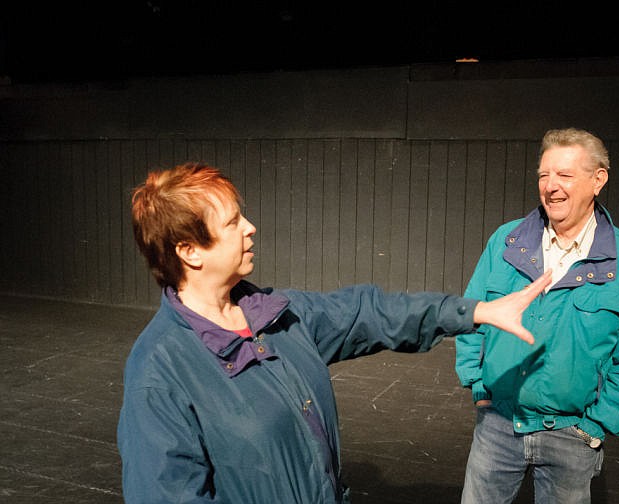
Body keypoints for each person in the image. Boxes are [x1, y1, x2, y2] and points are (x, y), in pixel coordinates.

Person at [117, 162, 552, 504]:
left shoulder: (276, 316)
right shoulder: (160, 370)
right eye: (232, 222)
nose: (250, 227)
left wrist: (473, 311)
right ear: (189, 251)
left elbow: (369, 312)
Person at [455, 128, 619, 504]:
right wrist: (479, 388)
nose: (551, 186)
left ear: (598, 180)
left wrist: (596, 426)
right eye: (544, 175)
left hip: (573, 434)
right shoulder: (507, 243)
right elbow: (473, 316)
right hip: (499, 423)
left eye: (565, 175)